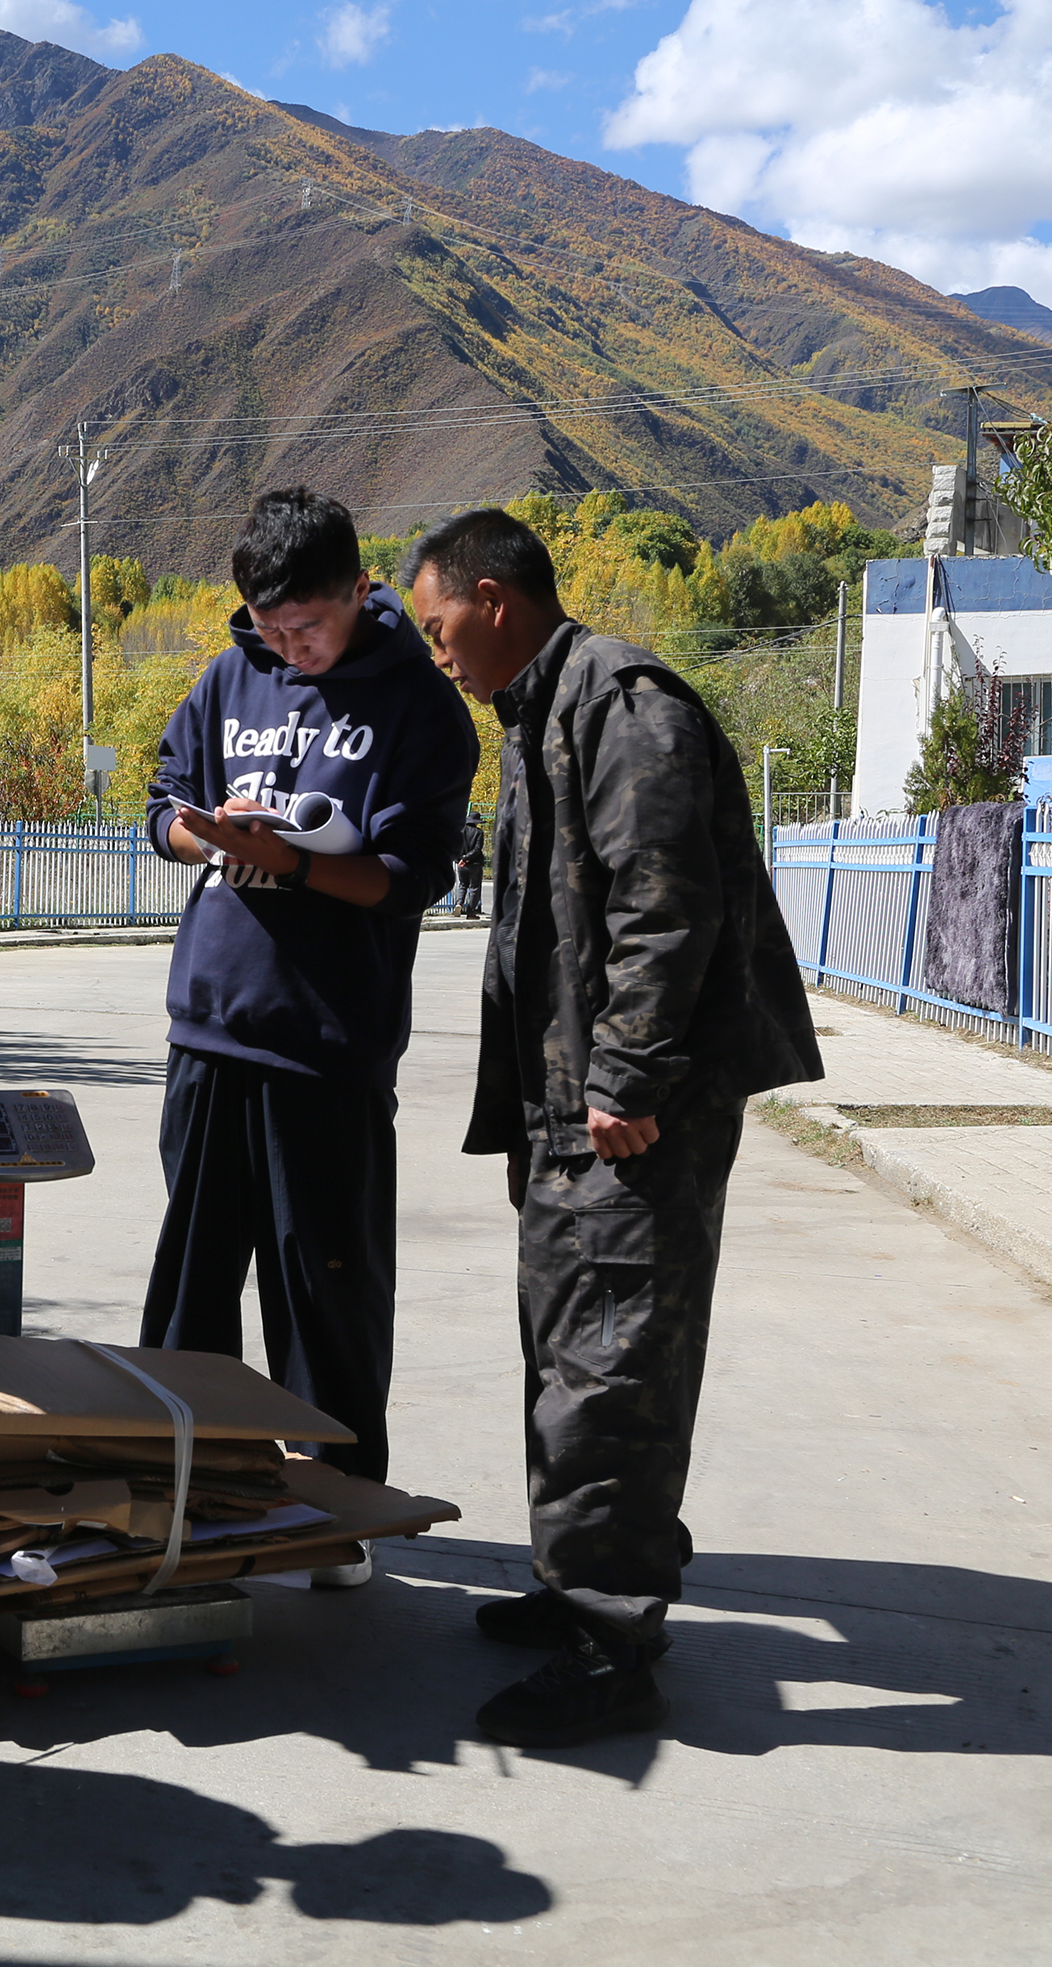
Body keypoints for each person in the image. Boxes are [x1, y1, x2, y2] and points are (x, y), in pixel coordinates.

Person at [402, 507, 822, 1749]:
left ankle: (611, 1643)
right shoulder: (550, 707)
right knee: (569, 1351)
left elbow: (664, 904)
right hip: (570, 1109)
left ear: (493, 597)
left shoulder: (626, 705)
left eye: (440, 631)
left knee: (611, 1369)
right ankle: (579, 1578)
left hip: (633, 1117)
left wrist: (628, 1079)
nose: (439, 657)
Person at [140, 488, 479, 1584]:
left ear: (361, 589)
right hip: (213, 1026)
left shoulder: (421, 709)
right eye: (272, 628)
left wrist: (293, 861)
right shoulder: (229, 675)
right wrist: (197, 837)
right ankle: (187, 1494)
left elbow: (412, 874)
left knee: (324, 1290)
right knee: (191, 1291)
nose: (287, 645)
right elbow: (161, 799)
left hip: (327, 1042)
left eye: (308, 627)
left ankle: (337, 1512)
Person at [453, 806, 488, 917]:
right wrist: (466, 858)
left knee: (463, 885)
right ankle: (471, 911)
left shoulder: (461, 831)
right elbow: (477, 849)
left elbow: (456, 846)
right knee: (474, 888)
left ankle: (459, 903)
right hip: (474, 864)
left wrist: (460, 859)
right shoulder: (478, 832)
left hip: (461, 864)